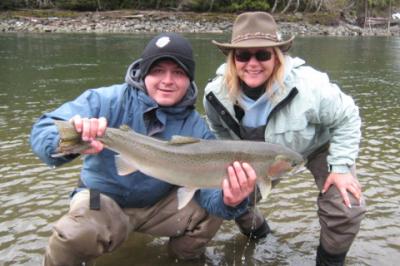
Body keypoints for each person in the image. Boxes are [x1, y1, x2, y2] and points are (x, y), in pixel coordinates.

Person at [30, 32, 258, 266]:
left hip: (159, 206)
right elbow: (42, 132)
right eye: (158, 70)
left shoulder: (195, 126)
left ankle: (185, 258)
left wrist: (230, 200)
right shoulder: (105, 100)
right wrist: (71, 137)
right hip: (104, 199)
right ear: (144, 72)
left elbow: (209, 195)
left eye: (178, 72)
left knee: (213, 209)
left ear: (189, 79)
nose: (167, 80)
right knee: (73, 235)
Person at [203, 12, 366, 265]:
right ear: (233, 59)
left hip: (320, 145)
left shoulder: (310, 86)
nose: (252, 63)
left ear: (277, 56)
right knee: (234, 195)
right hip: (258, 154)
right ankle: (260, 235)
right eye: (243, 55)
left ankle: (330, 261)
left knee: (347, 206)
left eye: (263, 54)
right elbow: (218, 131)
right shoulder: (215, 95)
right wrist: (232, 163)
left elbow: (348, 116)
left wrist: (342, 167)